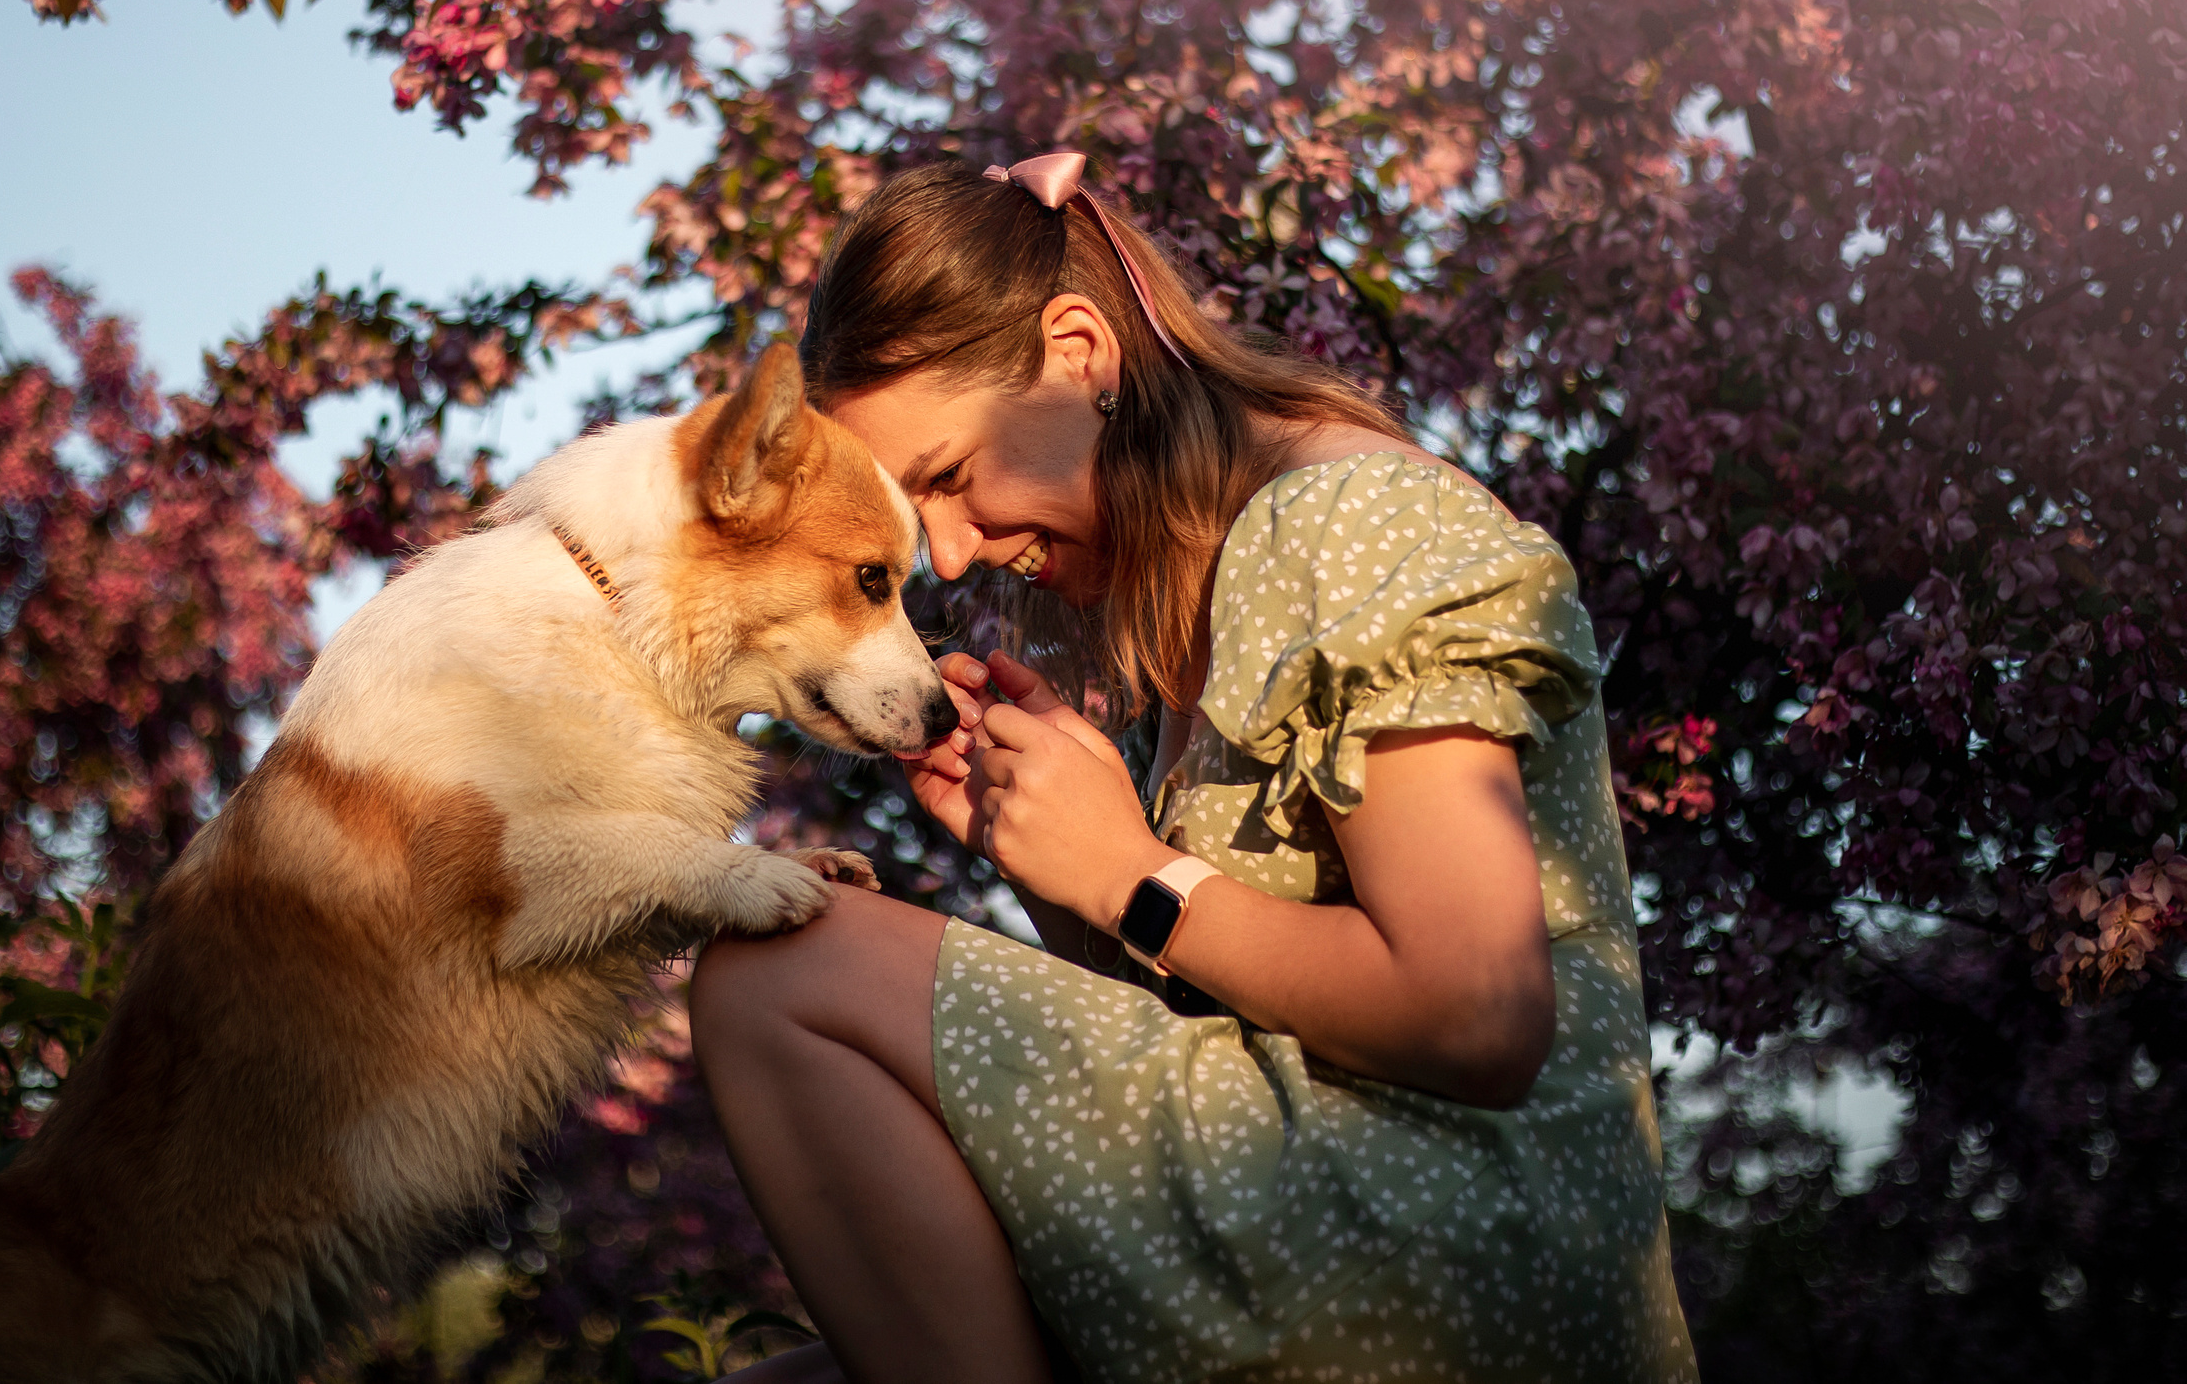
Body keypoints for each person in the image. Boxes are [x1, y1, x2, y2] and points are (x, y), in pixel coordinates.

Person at [689, 153, 1697, 1383]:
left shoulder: (1343, 514)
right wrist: (1061, 873)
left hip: (1457, 1242)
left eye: (947, 478)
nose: (946, 561)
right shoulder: (1218, 585)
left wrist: (1130, 874)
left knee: (777, 964)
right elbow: (1258, 1002)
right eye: (913, 520)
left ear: (1081, 350)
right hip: (1368, 1212)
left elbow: (1471, 1014)